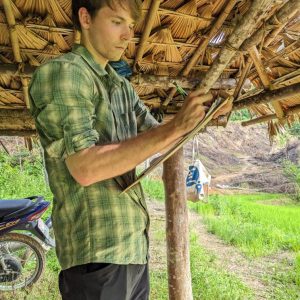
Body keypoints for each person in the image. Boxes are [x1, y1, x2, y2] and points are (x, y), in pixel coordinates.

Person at [29, 0, 231, 299]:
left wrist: (203, 114)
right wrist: (175, 127)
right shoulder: (65, 73)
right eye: (116, 22)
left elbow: (159, 137)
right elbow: (85, 168)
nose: (127, 36)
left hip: (133, 247)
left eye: (131, 26)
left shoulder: (121, 87)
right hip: (97, 253)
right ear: (85, 18)